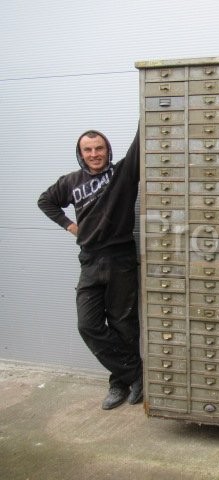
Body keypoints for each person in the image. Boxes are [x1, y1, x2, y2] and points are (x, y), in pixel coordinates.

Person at [38, 127, 143, 410]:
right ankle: (135, 374)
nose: (94, 154)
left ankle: (119, 383)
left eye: (99, 148)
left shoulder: (123, 174)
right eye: (88, 149)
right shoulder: (71, 181)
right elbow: (45, 201)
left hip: (120, 258)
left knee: (124, 324)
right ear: (81, 153)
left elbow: (140, 142)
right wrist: (71, 226)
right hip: (90, 259)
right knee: (88, 324)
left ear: (108, 149)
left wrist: (155, 93)